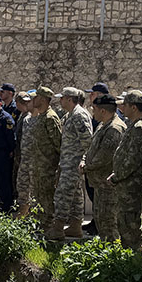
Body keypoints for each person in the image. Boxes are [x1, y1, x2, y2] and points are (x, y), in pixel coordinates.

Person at [107, 90, 142, 252]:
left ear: (134, 107)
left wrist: (117, 177)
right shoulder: (135, 124)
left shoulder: (140, 127)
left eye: (125, 105)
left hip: (131, 184)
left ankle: (134, 257)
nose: (122, 108)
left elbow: (133, 160)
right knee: (125, 222)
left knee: (130, 224)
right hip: (126, 182)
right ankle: (129, 255)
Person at [48, 87, 92, 240]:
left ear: (69, 99)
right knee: (75, 196)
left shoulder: (79, 115)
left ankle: (58, 228)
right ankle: (75, 226)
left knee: (63, 195)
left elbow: (88, 140)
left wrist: (83, 160)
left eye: (62, 98)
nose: (60, 101)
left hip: (73, 164)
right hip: (68, 162)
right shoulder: (71, 114)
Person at [82, 94, 126, 242]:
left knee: (109, 223)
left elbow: (104, 156)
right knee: (101, 219)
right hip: (100, 183)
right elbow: (92, 148)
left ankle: (112, 251)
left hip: (108, 185)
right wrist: (84, 160)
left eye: (94, 109)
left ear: (103, 111)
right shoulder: (103, 125)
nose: (92, 111)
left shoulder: (114, 128)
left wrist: (86, 167)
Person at [30, 87, 62, 229]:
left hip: (48, 168)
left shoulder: (50, 118)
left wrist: (56, 168)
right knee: (39, 198)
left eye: (36, 97)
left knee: (47, 199)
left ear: (43, 99)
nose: (33, 100)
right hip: (39, 167)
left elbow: (58, 144)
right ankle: (40, 224)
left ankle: (48, 227)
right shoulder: (41, 117)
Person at [14, 91, 35, 213]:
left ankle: (29, 211)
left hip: (31, 158)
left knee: (29, 186)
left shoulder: (32, 117)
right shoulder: (24, 117)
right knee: (21, 184)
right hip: (22, 155)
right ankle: (23, 210)